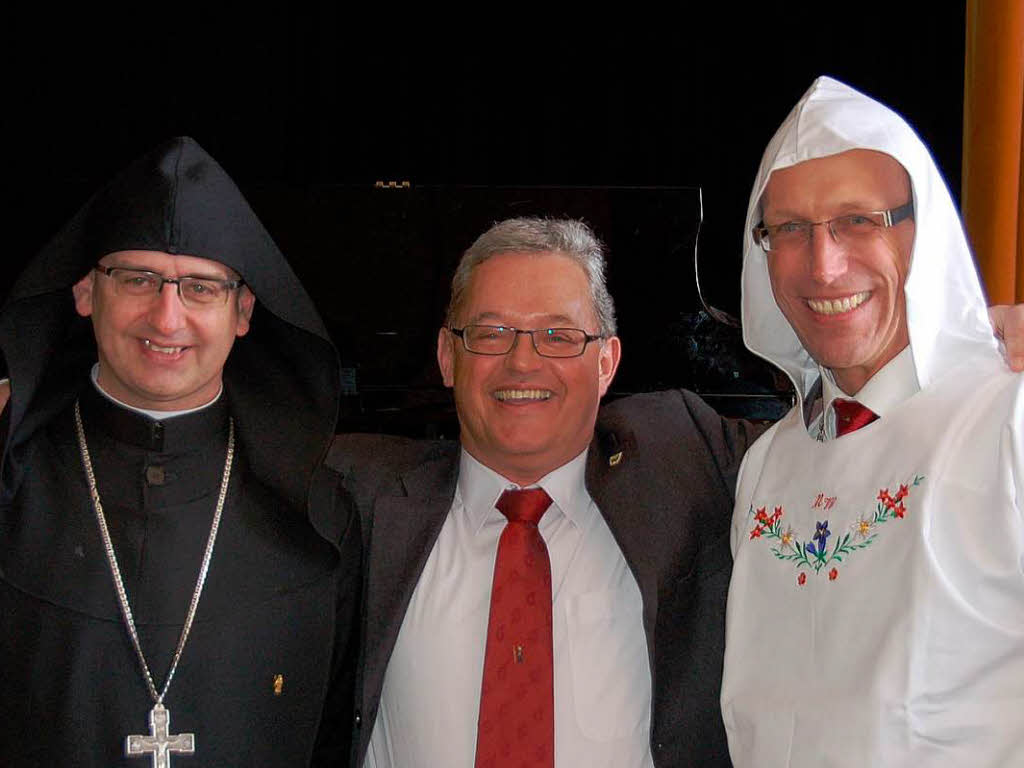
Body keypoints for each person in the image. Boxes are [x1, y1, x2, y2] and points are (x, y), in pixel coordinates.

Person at [329, 217, 757, 768]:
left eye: (558, 335)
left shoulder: (688, 461)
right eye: (491, 333)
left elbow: (841, 437)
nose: (523, 361)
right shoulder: (357, 494)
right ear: (446, 357)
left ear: (606, 362)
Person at [0, 137, 360, 767]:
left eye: (200, 288)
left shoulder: (318, 514)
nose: (167, 320)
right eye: (137, 279)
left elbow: (333, 736)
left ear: (243, 310)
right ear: (85, 292)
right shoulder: (10, 482)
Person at [722, 76, 1024, 766]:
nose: (824, 266)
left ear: (926, 233)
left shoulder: (1007, 419)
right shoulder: (767, 464)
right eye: (791, 229)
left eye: (859, 220)